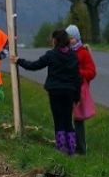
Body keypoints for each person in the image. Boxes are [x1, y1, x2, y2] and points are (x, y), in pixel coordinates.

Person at [12, 29, 82, 155]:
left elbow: (34, 66)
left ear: (55, 40)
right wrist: (77, 97)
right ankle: (71, 150)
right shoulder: (73, 56)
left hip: (55, 91)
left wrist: (18, 61)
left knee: (58, 120)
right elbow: (77, 78)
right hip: (69, 92)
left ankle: (61, 148)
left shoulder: (51, 55)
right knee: (67, 120)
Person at [66, 24, 96, 154]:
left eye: (72, 38)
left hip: (79, 91)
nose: (70, 41)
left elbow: (92, 72)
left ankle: (81, 148)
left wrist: (78, 73)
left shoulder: (83, 53)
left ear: (77, 38)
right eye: (68, 38)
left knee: (78, 120)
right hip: (66, 89)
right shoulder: (64, 52)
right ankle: (69, 145)